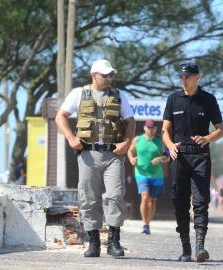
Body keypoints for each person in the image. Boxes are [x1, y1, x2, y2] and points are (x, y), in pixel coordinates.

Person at [55, 59, 135, 258]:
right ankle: (94, 243)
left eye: (111, 75)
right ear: (94, 75)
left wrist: (126, 143)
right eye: (105, 75)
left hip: (113, 154)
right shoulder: (78, 94)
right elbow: (60, 117)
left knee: (115, 195)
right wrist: (71, 138)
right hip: (88, 154)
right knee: (89, 198)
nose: (110, 78)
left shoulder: (119, 96)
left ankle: (114, 242)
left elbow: (130, 121)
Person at [162, 62, 223, 262]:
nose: (184, 81)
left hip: (200, 156)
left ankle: (200, 246)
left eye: (188, 77)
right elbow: (165, 131)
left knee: (200, 202)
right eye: (181, 77)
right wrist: (170, 145)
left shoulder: (208, 100)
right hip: (178, 156)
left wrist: (208, 138)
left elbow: (220, 130)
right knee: (180, 203)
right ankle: (186, 248)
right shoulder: (173, 99)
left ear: (197, 77)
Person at [127, 119, 169, 235]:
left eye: (153, 128)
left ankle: (148, 223)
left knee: (153, 200)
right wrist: (131, 159)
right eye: (148, 127)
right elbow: (130, 151)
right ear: (145, 128)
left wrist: (160, 159)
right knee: (145, 197)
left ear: (156, 129)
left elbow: (167, 157)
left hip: (157, 175)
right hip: (141, 173)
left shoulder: (160, 142)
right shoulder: (137, 140)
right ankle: (145, 224)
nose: (150, 130)